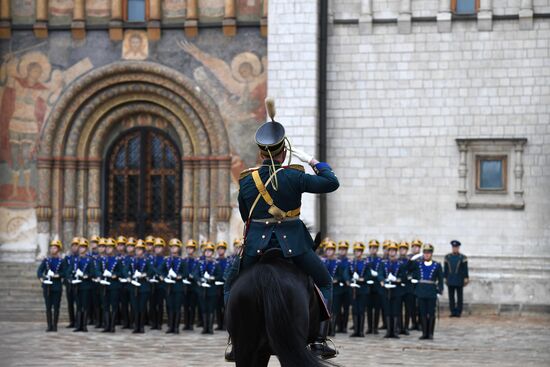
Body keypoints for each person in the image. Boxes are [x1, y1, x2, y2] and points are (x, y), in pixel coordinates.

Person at [414, 243, 444, 340]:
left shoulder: (437, 265)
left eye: (429, 253)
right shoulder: (418, 264)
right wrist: (414, 257)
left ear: (431, 254)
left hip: (431, 290)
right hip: (421, 290)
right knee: (422, 312)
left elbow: (440, 279)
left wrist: (440, 290)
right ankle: (424, 333)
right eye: (425, 252)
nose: (427, 254)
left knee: (431, 313)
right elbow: (408, 267)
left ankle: (430, 333)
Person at [126, 239, 156, 334]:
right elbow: (124, 270)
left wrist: (145, 274)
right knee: (135, 307)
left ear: (143, 251)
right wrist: (128, 276)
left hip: (144, 287)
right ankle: (136, 326)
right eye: (137, 249)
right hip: (134, 286)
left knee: (142, 307)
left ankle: (141, 326)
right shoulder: (132, 260)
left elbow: (152, 271)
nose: (138, 251)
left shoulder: (146, 261)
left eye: (140, 249)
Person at [321, 240, 349, 338]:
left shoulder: (338, 263)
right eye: (327, 250)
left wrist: (336, 279)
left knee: (334, 310)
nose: (329, 252)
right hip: (324, 289)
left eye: (331, 250)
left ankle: (332, 329)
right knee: (325, 309)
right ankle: (325, 330)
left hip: (336, 289)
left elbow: (343, 275)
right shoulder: (322, 261)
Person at [37, 239, 66, 332]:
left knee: (56, 307)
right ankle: (49, 325)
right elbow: (40, 270)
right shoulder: (46, 260)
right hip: (48, 286)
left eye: (54, 248)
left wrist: (58, 275)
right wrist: (41, 278)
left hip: (57, 286)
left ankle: (55, 325)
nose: (52, 249)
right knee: (48, 307)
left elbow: (65, 272)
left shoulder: (61, 261)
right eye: (51, 247)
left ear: (58, 249)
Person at [379, 241, 406, 339]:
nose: (392, 252)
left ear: (396, 252)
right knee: (387, 311)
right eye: (390, 250)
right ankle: (388, 331)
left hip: (396, 289)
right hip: (386, 289)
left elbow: (404, 276)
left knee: (395, 311)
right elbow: (380, 274)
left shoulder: (400, 264)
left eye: (394, 250)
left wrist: (397, 279)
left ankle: (394, 331)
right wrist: (382, 280)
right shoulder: (383, 263)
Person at [194, 241, 223, 334]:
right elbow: (195, 274)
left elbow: (220, 275)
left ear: (212, 252)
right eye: (206, 251)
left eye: (210, 251)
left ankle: (210, 328)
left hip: (212, 289)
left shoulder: (216, 263)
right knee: (203, 309)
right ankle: (204, 327)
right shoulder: (200, 263)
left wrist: (212, 278)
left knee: (211, 309)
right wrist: (199, 279)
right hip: (202, 289)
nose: (207, 252)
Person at [161, 238, 187, 334]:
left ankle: (176, 327)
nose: (174, 248)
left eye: (175, 247)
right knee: (170, 307)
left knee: (177, 307)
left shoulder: (182, 261)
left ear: (179, 248)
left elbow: (186, 273)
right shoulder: (166, 260)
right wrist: (164, 276)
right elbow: (161, 270)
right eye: (172, 247)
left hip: (178, 287)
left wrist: (180, 276)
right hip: (169, 287)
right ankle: (170, 326)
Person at [71, 238, 97, 332]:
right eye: (80, 247)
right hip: (77, 285)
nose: (81, 249)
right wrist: (71, 277)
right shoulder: (75, 260)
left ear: (86, 249)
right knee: (78, 305)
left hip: (86, 285)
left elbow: (93, 273)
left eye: (83, 247)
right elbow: (69, 271)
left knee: (85, 306)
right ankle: (78, 325)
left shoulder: (89, 260)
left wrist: (86, 276)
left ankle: (84, 325)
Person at [99, 238, 124, 333]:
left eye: (110, 247)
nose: (108, 249)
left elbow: (122, 272)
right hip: (105, 285)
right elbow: (97, 270)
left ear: (114, 248)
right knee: (105, 305)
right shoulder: (103, 260)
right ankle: (107, 326)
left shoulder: (118, 260)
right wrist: (100, 275)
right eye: (107, 247)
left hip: (114, 285)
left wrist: (115, 275)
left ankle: (112, 326)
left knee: (113, 305)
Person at [349, 241, 373, 338]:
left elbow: (369, 274)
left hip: (363, 289)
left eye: (359, 251)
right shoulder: (351, 263)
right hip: (354, 289)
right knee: (355, 310)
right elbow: (346, 273)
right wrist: (349, 279)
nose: (357, 252)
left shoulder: (366, 263)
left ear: (362, 252)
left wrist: (363, 278)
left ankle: (361, 331)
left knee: (361, 310)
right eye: (356, 251)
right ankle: (356, 331)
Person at [444, 240, 469, 317]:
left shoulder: (463, 257)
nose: (455, 249)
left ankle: (458, 311)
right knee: (451, 297)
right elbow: (445, 269)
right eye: (454, 247)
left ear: (458, 248)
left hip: (459, 279)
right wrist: (444, 277)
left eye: (456, 247)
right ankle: (452, 311)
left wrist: (466, 277)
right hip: (450, 279)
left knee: (459, 297)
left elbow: (465, 268)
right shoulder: (447, 257)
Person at [365, 239, 383, 334]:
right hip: (368, 287)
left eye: (375, 248)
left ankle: (375, 327)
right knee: (369, 309)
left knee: (376, 309)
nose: (373, 249)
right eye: (371, 248)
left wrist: (376, 275)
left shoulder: (380, 260)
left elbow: (381, 272)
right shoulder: (366, 260)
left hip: (377, 287)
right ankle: (369, 327)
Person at [62, 237, 80, 328]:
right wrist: (68, 278)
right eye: (73, 245)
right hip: (69, 283)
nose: (75, 247)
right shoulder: (67, 258)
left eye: (76, 245)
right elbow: (65, 270)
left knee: (78, 303)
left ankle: (78, 321)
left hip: (78, 283)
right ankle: (72, 321)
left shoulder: (82, 258)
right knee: (70, 303)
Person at [398, 241, 414, 335]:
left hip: (408, 287)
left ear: (407, 250)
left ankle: (406, 327)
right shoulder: (397, 261)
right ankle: (400, 326)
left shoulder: (410, 261)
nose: (402, 250)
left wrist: (411, 276)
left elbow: (414, 271)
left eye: (404, 249)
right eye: (401, 249)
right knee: (399, 308)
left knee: (408, 309)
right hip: (399, 287)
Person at [150, 237, 167, 330]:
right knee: (152, 304)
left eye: (159, 247)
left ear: (163, 248)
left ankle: (159, 323)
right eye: (156, 247)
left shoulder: (165, 259)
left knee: (160, 304)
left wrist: (158, 273)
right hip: (152, 285)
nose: (157, 249)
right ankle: (153, 322)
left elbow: (165, 271)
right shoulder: (150, 259)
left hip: (161, 285)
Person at [183, 239, 199, 331]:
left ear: (194, 250)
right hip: (185, 286)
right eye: (188, 248)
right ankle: (186, 324)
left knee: (192, 306)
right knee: (185, 306)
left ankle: (191, 324)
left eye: (191, 248)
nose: (190, 250)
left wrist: (191, 275)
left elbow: (196, 271)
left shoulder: (197, 261)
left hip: (193, 286)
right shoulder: (184, 260)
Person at [336, 240, 351, 334]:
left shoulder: (349, 262)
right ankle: (339, 326)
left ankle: (344, 326)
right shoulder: (336, 261)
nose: (342, 251)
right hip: (337, 288)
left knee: (346, 308)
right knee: (337, 309)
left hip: (347, 288)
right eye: (341, 249)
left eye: (344, 249)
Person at [91, 236, 105, 328]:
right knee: (96, 303)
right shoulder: (92, 257)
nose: (100, 248)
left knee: (104, 303)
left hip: (105, 283)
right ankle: (97, 320)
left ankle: (104, 321)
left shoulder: (106, 258)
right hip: (94, 282)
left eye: (102, 246)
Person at [409, 238, 423, 330]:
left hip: (419, 284)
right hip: (411, 283)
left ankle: (420, 323)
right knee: (411, 304)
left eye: (417, 247)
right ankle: (414, 323)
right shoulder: (409, 257)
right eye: (414, 247)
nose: (415, 249)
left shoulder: (422, 258)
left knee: (420, 305)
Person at [215, 240, 229, 330]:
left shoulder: (228, 261)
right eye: (219, 249)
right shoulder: (214, 261)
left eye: (222, 249)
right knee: (217, 306)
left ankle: (225, 324)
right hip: (216, 286)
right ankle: (219, 324)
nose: (221, 251)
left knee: (225, 306)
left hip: (225, 285)